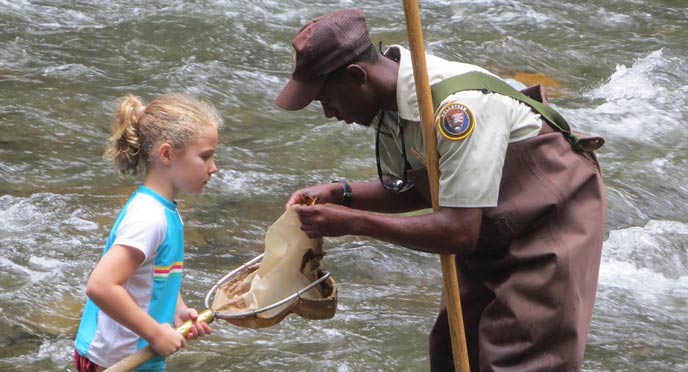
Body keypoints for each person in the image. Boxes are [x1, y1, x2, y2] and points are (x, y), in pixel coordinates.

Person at [275, 9, 606, 372]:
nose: (328, 113)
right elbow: (427, 188)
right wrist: (342, 194)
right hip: (488, 222)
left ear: (357, 76)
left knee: (519, 357)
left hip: (547, 222)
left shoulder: (458, 109)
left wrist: (353, 222)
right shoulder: (387, 106)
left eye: (326, 100)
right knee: (454, 353)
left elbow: (459, 232)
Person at [74, 93, 220, 371]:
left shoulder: (165, 210)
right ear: (166, 154)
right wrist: (154, 332)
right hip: (114, 361)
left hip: (140, 356)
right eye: (206, 156)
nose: (214, 168)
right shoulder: (149, 218)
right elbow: (100, 285)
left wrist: (176, 308)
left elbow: (155, 272)